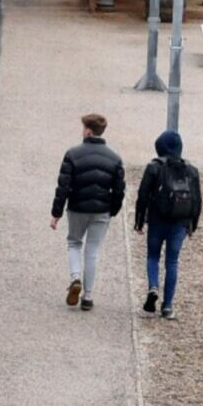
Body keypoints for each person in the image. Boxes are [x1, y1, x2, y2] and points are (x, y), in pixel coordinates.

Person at [51, 112, 124, 311]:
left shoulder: (72, 154)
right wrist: (112, 211)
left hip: (77, 207)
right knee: (93, 251)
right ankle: (88, 297)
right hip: (102, 210)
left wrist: (56, 213)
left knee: (74, 242)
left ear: (88, 131)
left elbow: (63, 186)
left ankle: (75, 278)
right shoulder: (115, 158)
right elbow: (119, 189)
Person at [133, 129, 202, 319]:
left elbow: (143, 196)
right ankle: (168, 306)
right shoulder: (191, 170)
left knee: (153, 256)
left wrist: (139, 220)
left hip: (156, 220)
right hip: (179, 223)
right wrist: (192, 224)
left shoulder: (154, 167)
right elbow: (197, 200)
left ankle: (153, 286)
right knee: (172, 262)